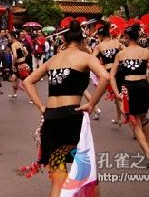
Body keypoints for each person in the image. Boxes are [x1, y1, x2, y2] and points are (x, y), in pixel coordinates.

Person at [23, 20, 109, 197]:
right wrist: (92, 104)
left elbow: (27, 81)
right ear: (81, 37)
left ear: (63, 38)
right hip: (72, 116)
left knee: (58, 179)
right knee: (86, 172)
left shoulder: (53, 60)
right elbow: (105, 77)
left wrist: (41, 106)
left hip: (51, 118)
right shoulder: (86, 57)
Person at [109, 23, 149, 167]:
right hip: (143, 87)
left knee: (135, 123)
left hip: (128, 88)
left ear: (127, 37)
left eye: (124, 37)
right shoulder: (146, 52)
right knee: (143, 117)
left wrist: (117, 93)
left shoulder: (121, 54)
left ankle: (147, 154)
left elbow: (111, 75)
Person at [91, 20, 125, 124]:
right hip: (121, 71)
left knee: (115, 98)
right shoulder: (116, 42)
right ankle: (119, 118)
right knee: (118, 96)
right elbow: (127, 51)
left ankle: (133, 125)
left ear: (101, 35)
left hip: (110, 74)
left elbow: (91, 59)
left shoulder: (99, 46)